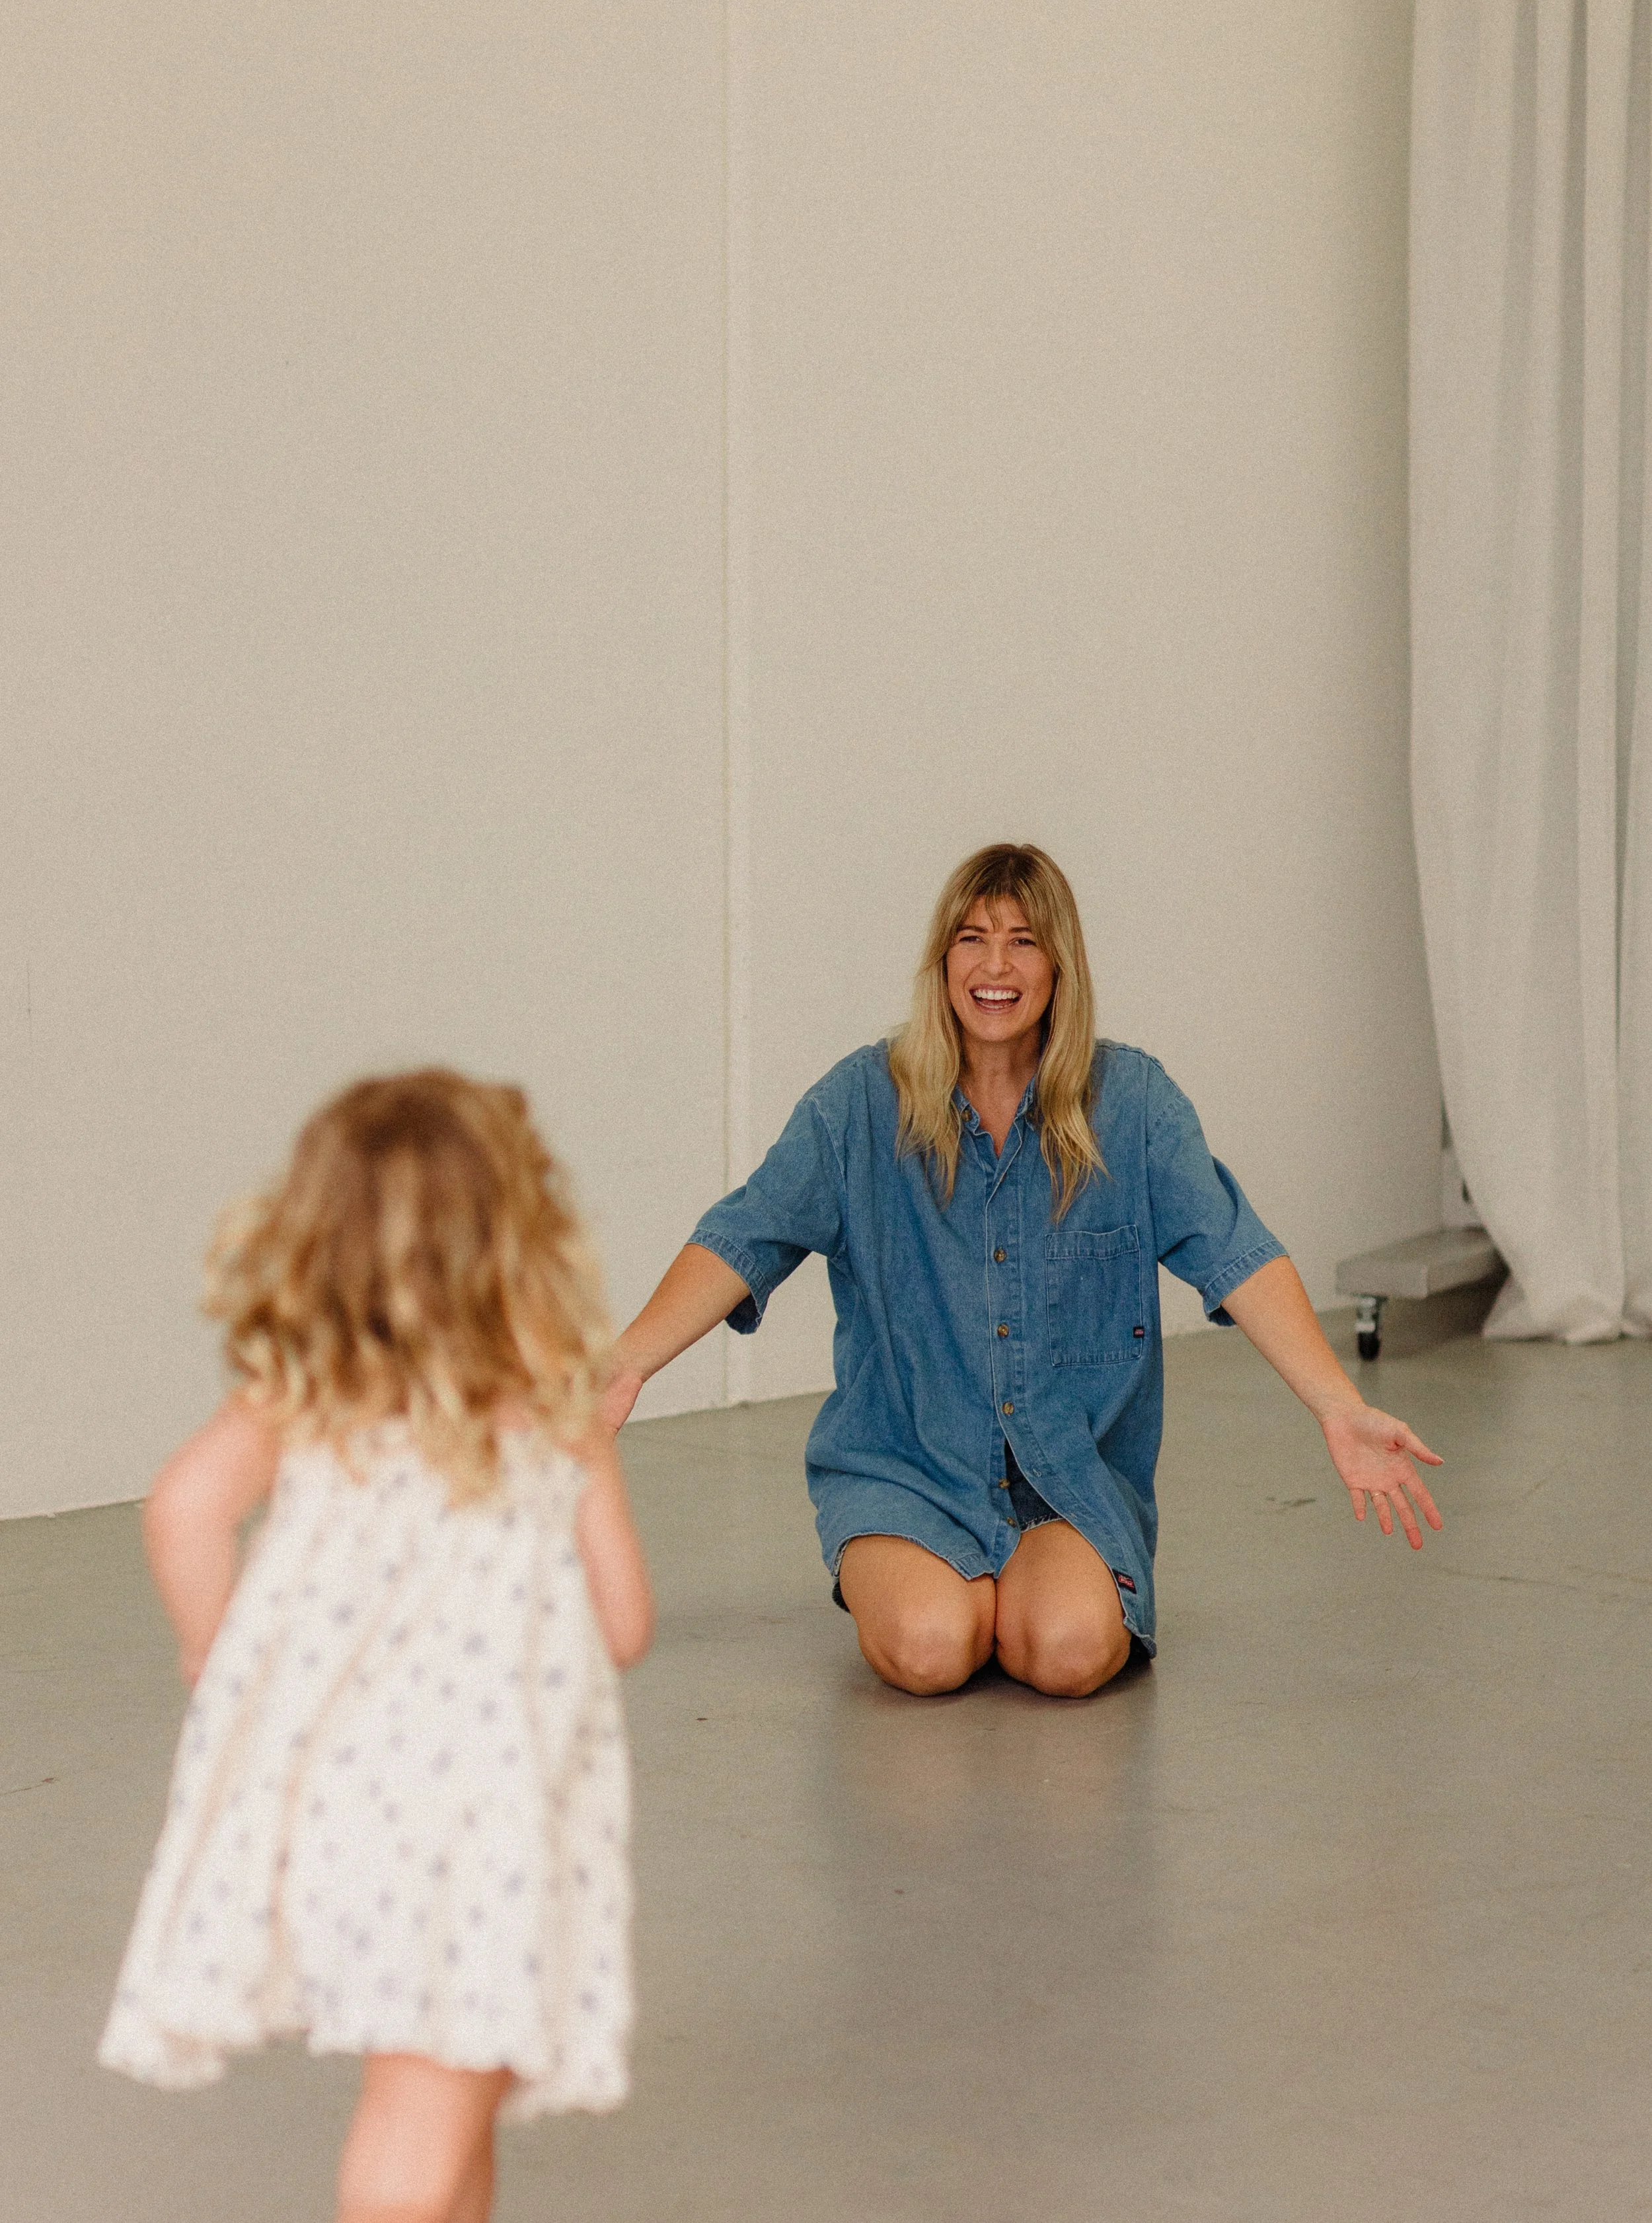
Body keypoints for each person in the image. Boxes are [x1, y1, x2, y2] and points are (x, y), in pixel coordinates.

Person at [604, 843, 1442, 1701]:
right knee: (932, 1646)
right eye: (971, 938)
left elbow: (1237, 1254)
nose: (995, 965)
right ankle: (956, 1589)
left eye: (1024, 940)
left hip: (1066, 1481)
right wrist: (627, 1361)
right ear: (943, 962)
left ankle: (1022, 1592)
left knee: (1068, 1651)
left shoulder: (1135, 1104)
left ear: (1060, 967)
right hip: (907, 1467)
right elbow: (746, 1235)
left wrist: (1338, 1404)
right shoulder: (861, 1102)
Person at [99, 1071, 654, 2223]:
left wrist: (223, 1653)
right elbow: (626, 1621)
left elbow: (183, 1510)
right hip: (480, 1819)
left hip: (342, 1803)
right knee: (424, 2103)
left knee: (454, 2078)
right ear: (516, 1234)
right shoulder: (550, 1400)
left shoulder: (305, 1392)